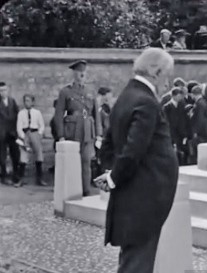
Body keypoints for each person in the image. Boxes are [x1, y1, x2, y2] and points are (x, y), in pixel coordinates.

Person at [95, 48, 178, 273]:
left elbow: (108, 144)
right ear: (155, 72)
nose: (168, 84)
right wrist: (113, 178)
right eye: (167, 75)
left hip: (133, 197)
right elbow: (134, 150)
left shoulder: (125, 97)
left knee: (132, 261)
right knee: (138, 265)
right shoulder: (146, 102)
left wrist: (111, 172)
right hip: (145, 200)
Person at [54, 60, 102, 197]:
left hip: (87, 131)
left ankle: (86, 191)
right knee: (72, 162)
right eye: (79, 72)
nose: (82, 74)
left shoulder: (90, 91)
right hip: (72, 130)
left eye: (84, 72)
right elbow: (58, 115)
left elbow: (96, 115)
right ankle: (72, 191)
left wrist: (99, 134)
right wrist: (61, 135)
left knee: (86, 161)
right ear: (74, 73)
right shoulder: (66, 91)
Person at [16, 94, 47, 187]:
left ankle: (40, 178)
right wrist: (22, 136)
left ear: (33, 102)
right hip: (25, 134)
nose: (27, 102)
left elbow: (41, 125)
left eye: (29, 101)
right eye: (25, 101)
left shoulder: (37, 113)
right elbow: (19, 127)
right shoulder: (21, 113)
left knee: (39, 155)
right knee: (23, 156)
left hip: (35, 133)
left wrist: (40, 134)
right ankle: (20, 179)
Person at [163, 87, 191, 165]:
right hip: (172, 133)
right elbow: (166, 121)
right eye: (178, 96)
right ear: (173, 96)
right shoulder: (167, 107)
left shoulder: (182, 105)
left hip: (181, 132)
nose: (180, 98)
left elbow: (185, 119)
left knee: (182, 150)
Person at [0, 81, 20, 186]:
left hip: (12, 132)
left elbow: (17, 115)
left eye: (4, 90)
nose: (3, 93)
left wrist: (17, 130)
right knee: (2, 155)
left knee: (15, 154)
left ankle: (15, 175)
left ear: (8, 90)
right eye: (1, 91)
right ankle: (3, 176)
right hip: (1, 133)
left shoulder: (12, 101)